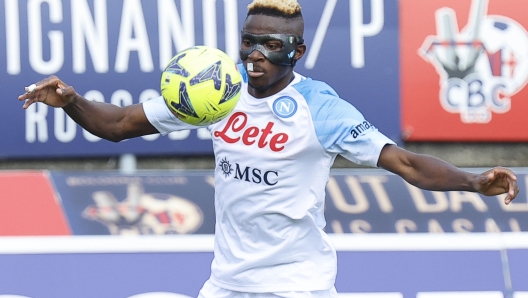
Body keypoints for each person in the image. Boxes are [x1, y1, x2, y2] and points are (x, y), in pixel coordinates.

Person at [18, 0, 519, 297]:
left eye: (273, 45)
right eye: (249, 41)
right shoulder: (215, 91)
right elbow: (121, 125)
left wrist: (473, 180)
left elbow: (406, 163)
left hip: (298, 283)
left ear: (296, 52)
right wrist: (71, 101)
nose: (257, 54)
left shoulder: (320, 108)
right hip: (228, 282)